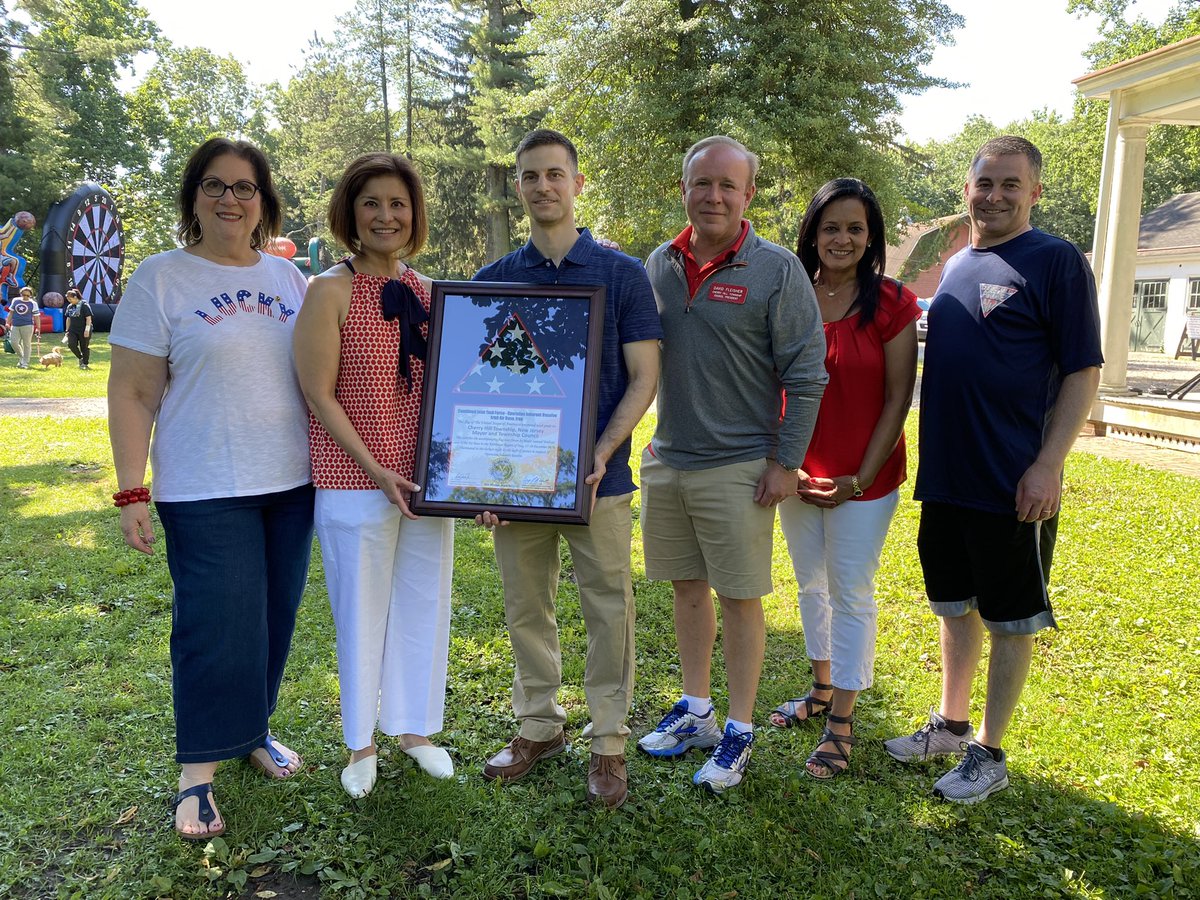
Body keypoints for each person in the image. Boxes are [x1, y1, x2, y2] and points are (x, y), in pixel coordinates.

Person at [883, 136, 1103, 803]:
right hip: (947, 475)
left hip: (1013, 481)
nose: (996, 195)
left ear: (1034, 191)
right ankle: (950, 726)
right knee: (955, 607)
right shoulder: (955, 267)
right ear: (967, 188)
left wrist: (1048, 464)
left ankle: (989, 749)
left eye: (1012, 184)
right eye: (986, 182)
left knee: (1010, 618)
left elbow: (1082, 370)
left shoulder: (1056, 261)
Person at [108, 137, 313, 841]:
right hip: (204, 486)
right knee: (213, 626)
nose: (231, 199)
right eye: (215, 186)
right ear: (193, 196)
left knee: (271, 618)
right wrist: (131, 490)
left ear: (265, 202)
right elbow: (134, 390)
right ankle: (196, 774)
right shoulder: (161, 278)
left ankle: (253, 732)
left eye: (245, 187)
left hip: (291, 483)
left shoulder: (291, 282)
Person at [474, 129, 661, 809]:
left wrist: (606, 448)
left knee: (608, 609)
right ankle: (538, 727)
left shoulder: (622, 274)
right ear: (518, 187)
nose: (543, 186)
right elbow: (477, 392)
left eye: (555, 174)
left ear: (578, 184)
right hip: (517, 482)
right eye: (530, 176)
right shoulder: (493, 282)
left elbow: (644, 377)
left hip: (597, 479)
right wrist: (481, 479)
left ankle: (608, 742)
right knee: (527, 606)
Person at [636, 135, 827, 793]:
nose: (713, 195)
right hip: (669, 460)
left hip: (741, 467)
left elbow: (807, 375)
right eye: (701, 183)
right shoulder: (657, 265)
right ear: (683, 190)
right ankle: (696, 711)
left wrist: (787, 463)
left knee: (741, 600)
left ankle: (739, 733)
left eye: (727, 185)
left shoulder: (776, 270)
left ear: (748, 194)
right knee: (687, 589)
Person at [293, 152, 455, 800]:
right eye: (371, 203)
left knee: (424, 602)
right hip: (354, 480)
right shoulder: (328, 290)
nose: (386, 215)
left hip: (422, 484)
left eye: (397, 203)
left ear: (413, 214)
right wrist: (375, 468)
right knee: (361, 613)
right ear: (349, 214)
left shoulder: (428, 291)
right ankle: (361, 743)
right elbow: (318, 394)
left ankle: (413, 730)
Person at [766, 179, 919, 779]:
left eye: (856, 228)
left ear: (872, 237)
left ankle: (842, 722)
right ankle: (822, 687)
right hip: (798, 473)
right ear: (812, 233)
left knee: (850, 590)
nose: (843, 238)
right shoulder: (790, 293)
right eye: (831, 227)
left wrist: (857, 479)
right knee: (810, 583)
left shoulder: (891, 303)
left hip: (866, 477)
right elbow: (767, 382)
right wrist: (789, 462)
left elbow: (898, 397)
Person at [6, 285, 39, 369]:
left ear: (30, 295)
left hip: (27, 325)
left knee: (26, 344)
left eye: (28, 295)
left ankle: (25, 363)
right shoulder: (15, 300)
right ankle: (22, 357)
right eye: (24, 295)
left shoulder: (33, 303)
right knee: (14, 342)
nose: (25, 297)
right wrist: (7, 323)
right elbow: (11, 313)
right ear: (20, 294)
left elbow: (36, 316)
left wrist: (38, 327)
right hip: (15, 325)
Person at [63, 288, 93, 369]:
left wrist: (87, 330)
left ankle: (85, 363)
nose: (69, 300)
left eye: (70, 298)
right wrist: (67, 330)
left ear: (75, 297)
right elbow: (68, 319)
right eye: (68, 299)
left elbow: (88, 318)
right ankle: (80, 358)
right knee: (71, 344)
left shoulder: (84, 305)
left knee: (84, 347)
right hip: (73, 329)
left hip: (84, 329)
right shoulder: (70, 306)